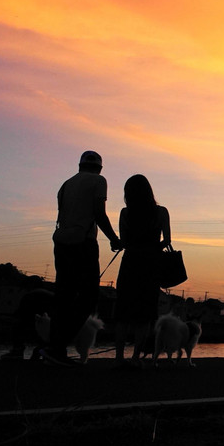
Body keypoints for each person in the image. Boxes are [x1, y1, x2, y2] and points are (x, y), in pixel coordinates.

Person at [45, 150, 121, 367]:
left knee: (64, 294)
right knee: (88, 296)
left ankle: (53, 346)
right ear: (100, 168)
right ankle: (58, 346)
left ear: (79, 166)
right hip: (84, 243)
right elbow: (99, 213)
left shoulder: (65, 184)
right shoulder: (99, 181)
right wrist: (114, 239)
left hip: (61, 243)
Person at [114, 174, 172, 367]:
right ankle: (136, 357)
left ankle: (119, 357)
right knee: (144, 313)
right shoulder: (161, 212)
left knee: (123, 311)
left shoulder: (125, 213)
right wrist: (155, 246)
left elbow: (123, 241)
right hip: (151, 264)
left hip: (130, 261)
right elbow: (167, 241)